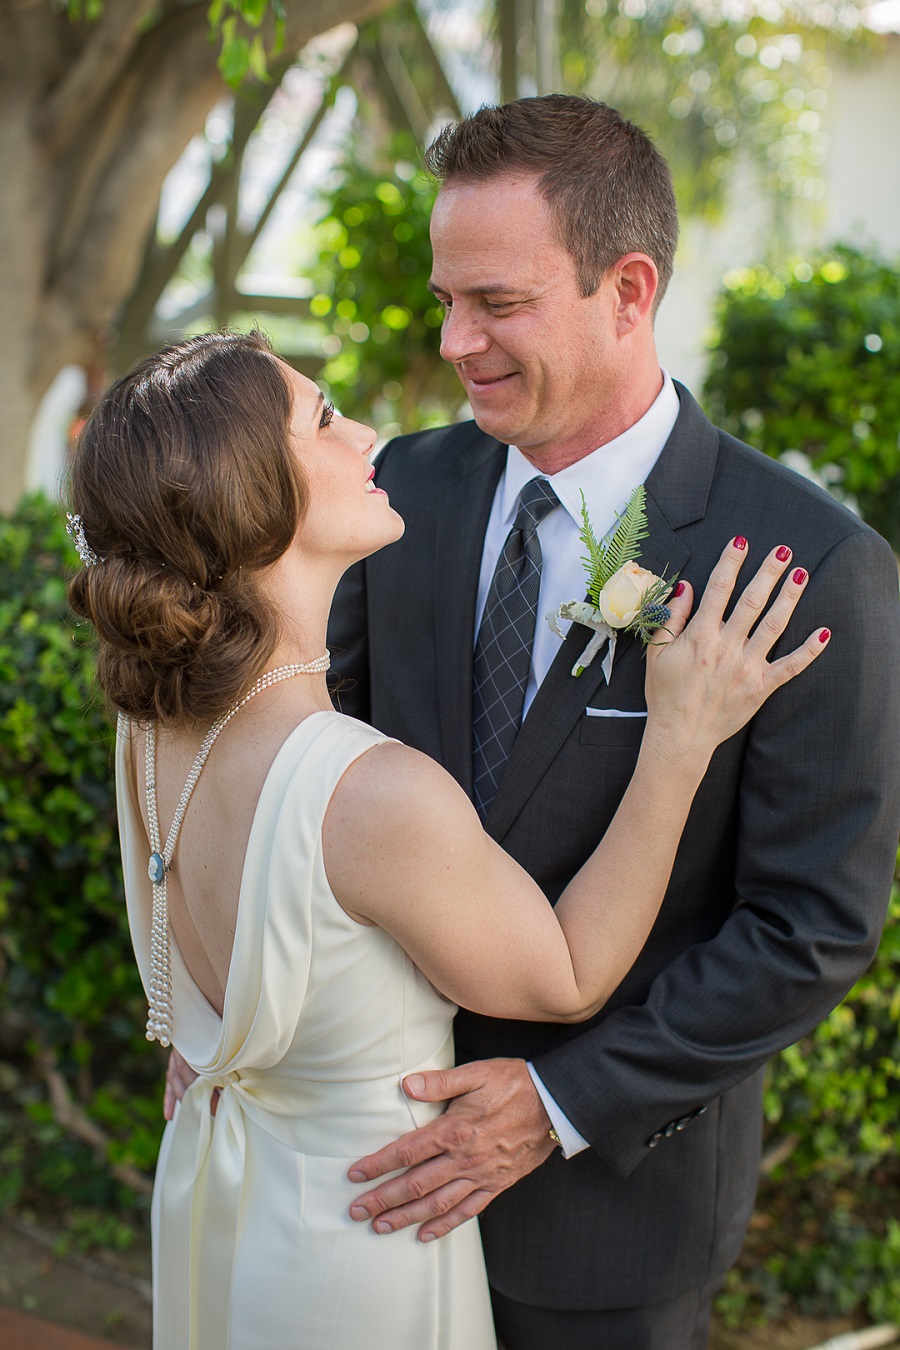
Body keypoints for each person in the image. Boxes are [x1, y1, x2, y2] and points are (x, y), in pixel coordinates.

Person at [67, 329, 824, 1350]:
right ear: (257, 497)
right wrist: (679, 739)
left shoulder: (150, 729)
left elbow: (199, 965)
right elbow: (566, 976)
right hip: (368, 1246)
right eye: (325, 421)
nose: (371, 435)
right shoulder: (370, 791)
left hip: (230, 1213)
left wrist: (206, 1046)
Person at [320, 96, 900, 1349]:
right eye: (446, 300)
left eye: (498, 304)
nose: (456, 339)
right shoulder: (392, 499)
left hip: (603, 1220)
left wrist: (560, 1103)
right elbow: (320, 774)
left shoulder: (806, 559)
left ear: (628, 290)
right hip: (361, 1155)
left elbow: (812, 924)